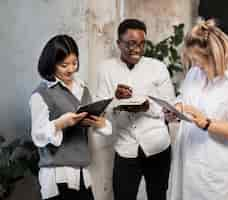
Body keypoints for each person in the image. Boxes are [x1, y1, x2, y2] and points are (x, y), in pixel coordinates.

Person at [168, 19, 228, 200]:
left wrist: (206, 123)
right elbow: (184, 97)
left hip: (223, 180)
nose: (196, 66)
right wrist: (175, 109)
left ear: (216, 56)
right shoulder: (195, 73)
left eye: (199, 61)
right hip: (190, 171)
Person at [95, 19, 175, 200]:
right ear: (119, 43)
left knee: (158, 196)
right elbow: (102, 109)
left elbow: (168, 109)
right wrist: (116, 99)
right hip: (125, 147)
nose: (136, 49)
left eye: (141, 43)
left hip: (158, 146)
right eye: (130, 44)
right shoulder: (106, 69)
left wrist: (147, 107)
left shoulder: (158, 68)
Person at [30, 34, 112, 200]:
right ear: (51, 64)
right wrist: (61, 123)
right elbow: (38, 136)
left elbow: (99, 130)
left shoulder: (83, 89)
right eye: (64, 65)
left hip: (82, 173)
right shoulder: (41, 94)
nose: (71, 69)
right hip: (57, 175)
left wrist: (100, 123)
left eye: (74, 63)